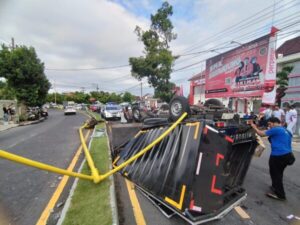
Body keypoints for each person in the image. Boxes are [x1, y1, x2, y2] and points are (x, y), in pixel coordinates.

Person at [250, 117, 294, 200]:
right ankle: (275, 187)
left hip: (278, 155)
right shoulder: (286, 130)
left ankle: (280, 195)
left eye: (270, 124)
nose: (269, 126)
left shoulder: (276, 129)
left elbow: (261, 134)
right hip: (288, 155)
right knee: (279, 173)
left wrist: (253, 126)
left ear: (274, 123)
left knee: (275, 174)